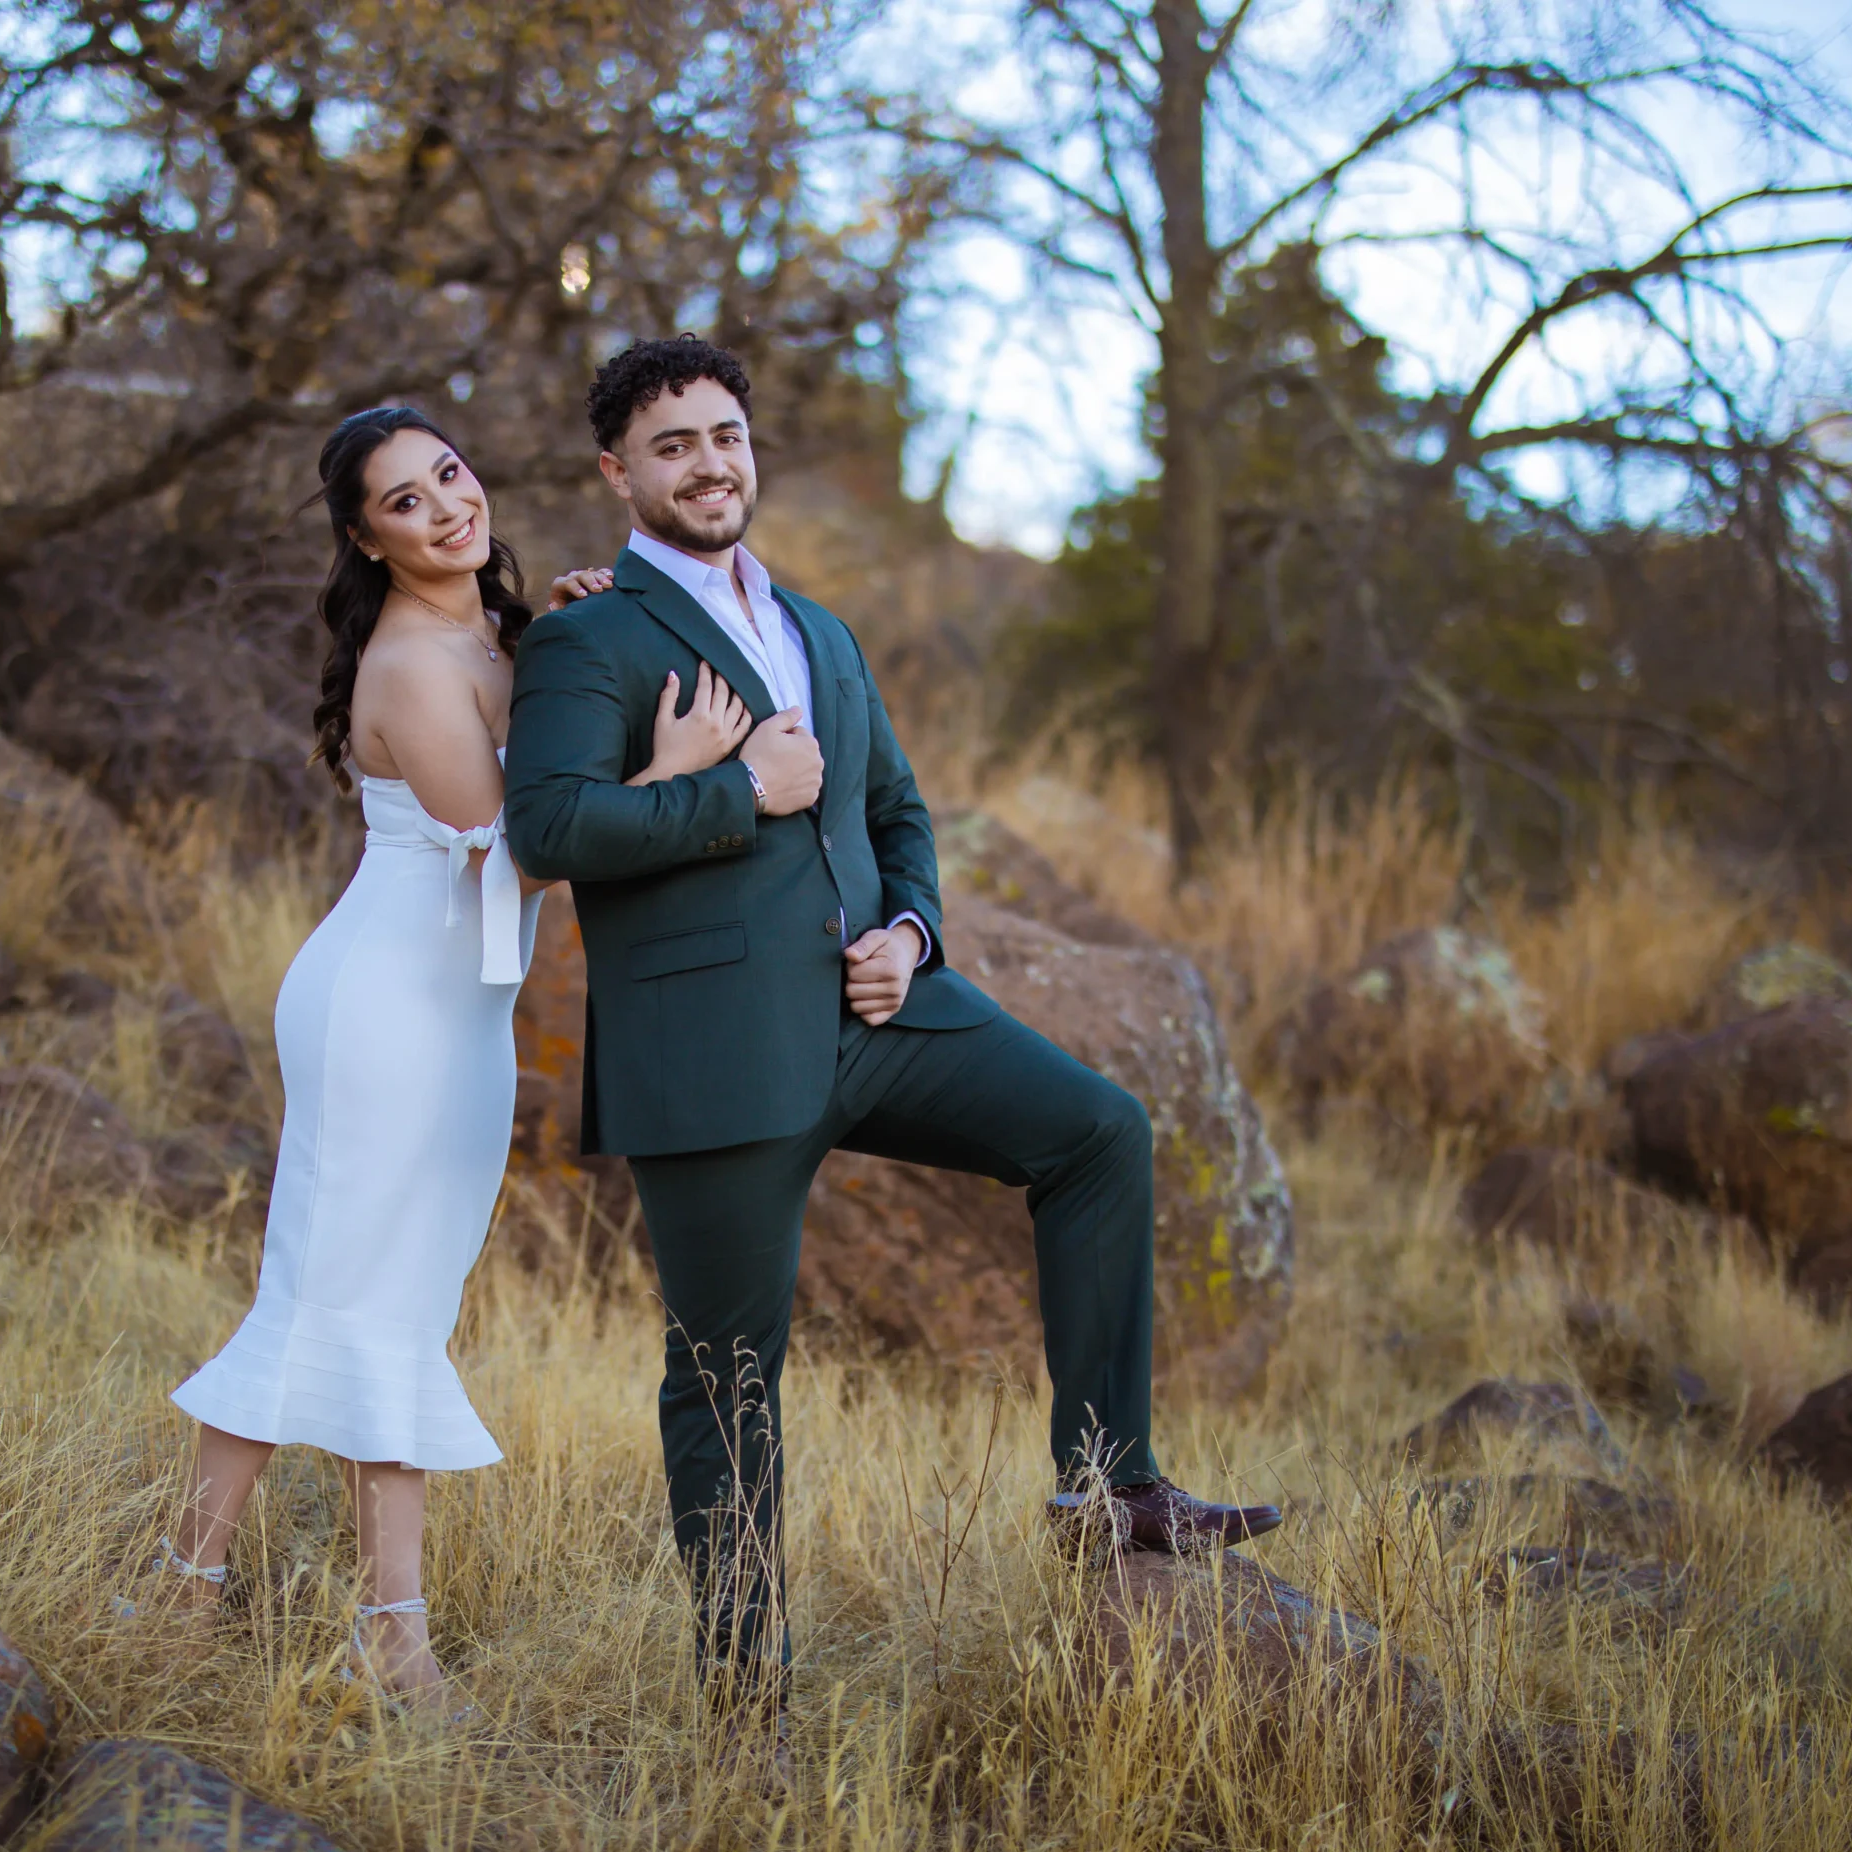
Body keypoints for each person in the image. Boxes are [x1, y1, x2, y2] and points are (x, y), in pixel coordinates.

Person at [504, 336, 1283, 1751]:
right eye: (672, 446)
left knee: (1099, 1134)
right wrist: (738, 789)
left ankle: (1105, 1487)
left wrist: (910, 935)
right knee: (730, 1379)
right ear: (618, 473)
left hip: (881, 1013)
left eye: (725, 436)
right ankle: (747, 1707)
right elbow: (549, 830)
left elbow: (898, 815)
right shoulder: (587, 637)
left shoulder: (824, 632)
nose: (708, 465)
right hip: (713, 1051)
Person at [157, 406, 754, 1714]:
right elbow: (534, 848)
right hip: (381, 1010)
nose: (446, 509)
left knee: (402, 1312)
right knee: (320, 1298)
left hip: (463, 1017)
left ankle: (366, 1632)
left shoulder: (497, 632)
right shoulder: (413, 665)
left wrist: (578, 627)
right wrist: (675, 771)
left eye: (449, 475)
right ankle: (201, 1603)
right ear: (366, 540)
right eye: (406, 503)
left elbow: (557, 737)